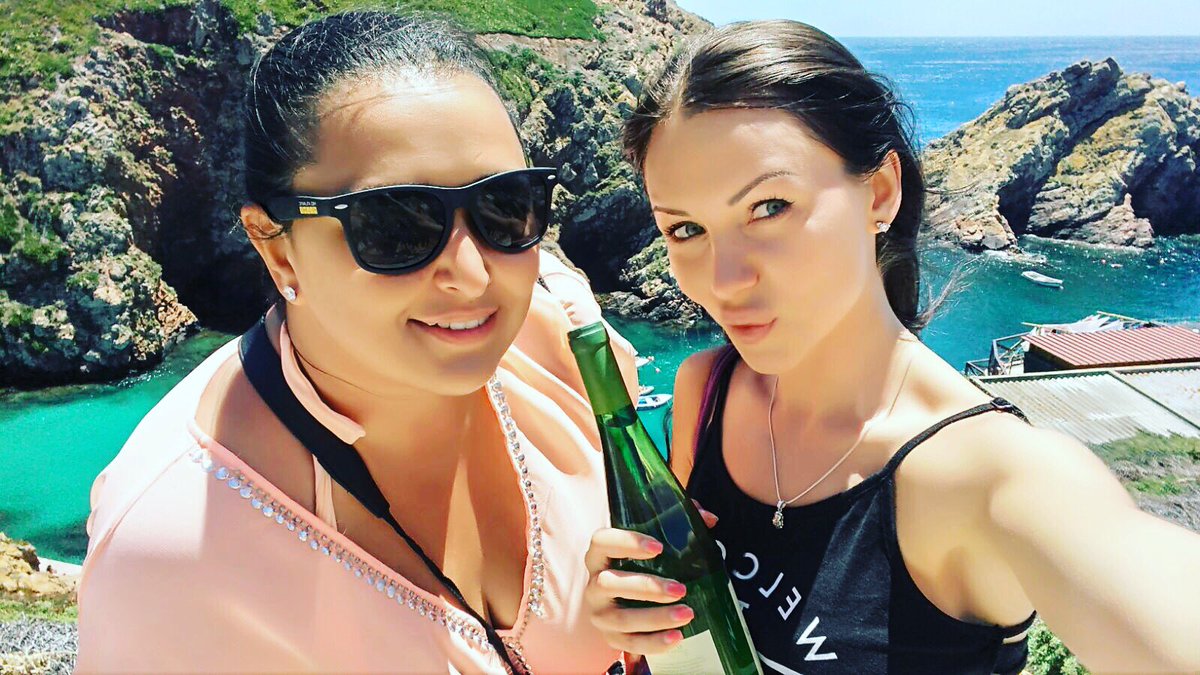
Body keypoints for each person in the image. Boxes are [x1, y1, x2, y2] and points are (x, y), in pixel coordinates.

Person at [583, 20, 1200, 674]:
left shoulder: (990, 476)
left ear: (879, 193)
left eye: (769, 207)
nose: (724, 278)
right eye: (685, 229)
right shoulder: (706, 391)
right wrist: (636, 620)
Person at [78, 11, 636, 673]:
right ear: (275, 249)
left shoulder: (567, 341)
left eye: (506, 206)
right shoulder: (169, 561)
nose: (473, 273)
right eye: (395, 224)